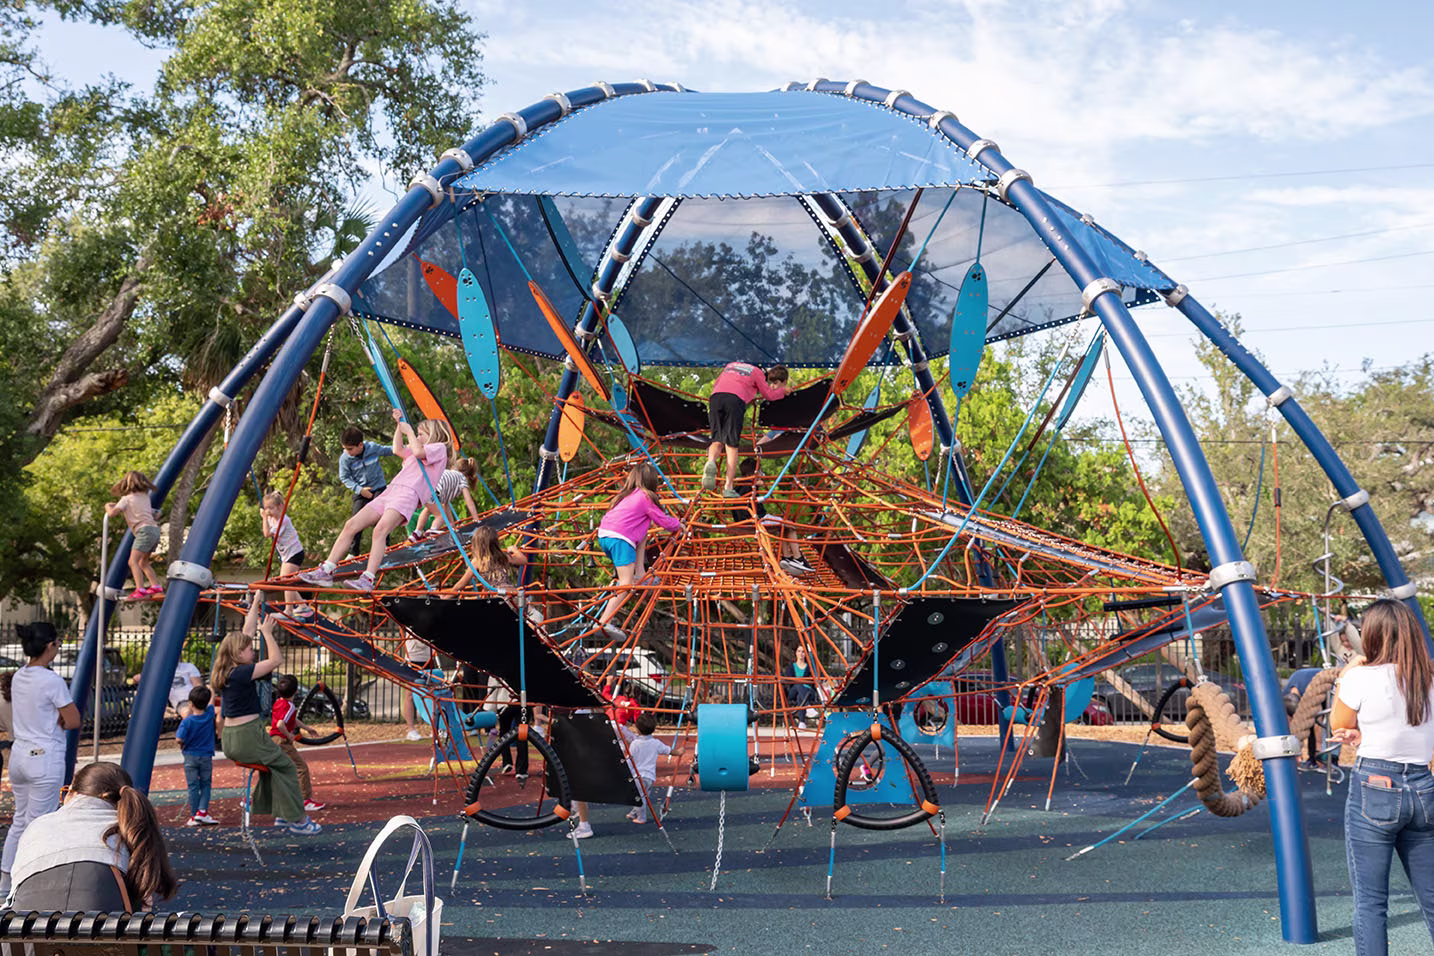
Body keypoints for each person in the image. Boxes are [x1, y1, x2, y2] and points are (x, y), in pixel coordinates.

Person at [1330, 599, 1434, 955]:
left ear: (1370, 635)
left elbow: (1339, 726)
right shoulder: (1429, 677)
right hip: (1424, 788)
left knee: (1371, 903)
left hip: (1375, 786)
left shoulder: (1359, 676)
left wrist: (1351, 670)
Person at [301, 410, 451, 592]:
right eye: (417, 433)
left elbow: (419, 452)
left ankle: (368, 578)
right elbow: (397, 450)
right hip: (392, 490)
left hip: (409, 494)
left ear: (433, 435)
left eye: (421, 434)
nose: (417, 436)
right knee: (351, 525)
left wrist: (410, 432)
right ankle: (327, 569)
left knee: (380, 530)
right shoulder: (418, 449)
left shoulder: (439, 448)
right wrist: (398, 426)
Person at [8, 761, 177, 913]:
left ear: (73, 794)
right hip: (104, 944)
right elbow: (144, 905)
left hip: (24, 943)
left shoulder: (38, 826)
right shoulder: (130, 832)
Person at [212, 596, 319, 834]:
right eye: (249, 649)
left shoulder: (228, 670)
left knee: (275, 768)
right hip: (247, 736)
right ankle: (299, 821)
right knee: (289, 767)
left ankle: (282, 814)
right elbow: (276, 660)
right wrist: (268, 633)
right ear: (238, 654)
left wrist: (257, 602)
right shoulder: (241, 673)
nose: (252, 650)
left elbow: (246, 632)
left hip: (233, 737)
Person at [0, 622, 82, 897]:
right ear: (50, 646)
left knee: (20, 821)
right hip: (44, 756)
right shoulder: (52, 680)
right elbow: (73, 720)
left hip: (20, 754)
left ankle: (6, 883)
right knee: (41, 824)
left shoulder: (20, 676)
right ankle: (28, 887)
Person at [596, 463, 682, 638]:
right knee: (626, 583)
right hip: (620, 538)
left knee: (643, 528)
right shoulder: (645, 497)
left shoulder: (625, 497)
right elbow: (663, 521)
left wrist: (641, 572)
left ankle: (639, 573)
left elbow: (642, 534)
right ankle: (604, 622)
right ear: (652, 481)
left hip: (605, 536)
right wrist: (679, 524)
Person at [702, 362, 790, 497]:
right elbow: (768, 395)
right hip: (734, 399)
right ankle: (728, 487)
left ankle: (711, 462)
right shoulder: (757, 372)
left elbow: (717, 383)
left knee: (717, 440)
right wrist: (782, 391)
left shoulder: (730, 366)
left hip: (716, 398)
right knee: (731, 445)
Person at [732, 457, 813, 574]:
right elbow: (751, 493)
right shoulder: (750, 485)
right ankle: (798, 558)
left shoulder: (740, 486)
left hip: (749, 519)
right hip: (756, 520)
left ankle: (787, 558)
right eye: (760, 471)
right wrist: (757, 484)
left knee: (784, 526)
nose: (762, 474)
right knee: (790, 526)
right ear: (755, 472)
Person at [270, 674, 326, 814]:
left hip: (273, 740)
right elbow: (281, 723)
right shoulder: (290, 706)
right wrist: (289, 734)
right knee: (301, 768)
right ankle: (305, 800)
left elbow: (291, 719)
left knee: (277, 770)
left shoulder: (278, 702)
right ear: (296, 691)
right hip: (282, 741)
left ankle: (261, 798)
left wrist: (307, 728)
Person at [104, 470, 164, 600]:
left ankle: (140, 589)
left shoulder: (126, 499)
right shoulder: (145, 497)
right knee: (143, 562)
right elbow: (152, 513)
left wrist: (108, 506)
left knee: (133, 561)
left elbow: (112, 514)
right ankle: (156, 586)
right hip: (154, 530)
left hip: (144, 531)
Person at [338, 424, 395, 556]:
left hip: (378, 487)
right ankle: (353, 552)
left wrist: (406, 449)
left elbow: (388, 450)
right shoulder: (345, 459)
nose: (348, 452)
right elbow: (344, 477)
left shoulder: (372, 448)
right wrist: (360, 489)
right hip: (362, 491)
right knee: (356, 519)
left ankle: (384, 545)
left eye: (350, 449)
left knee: (381, 515)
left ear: (360, 445)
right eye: (345, 449)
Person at [261, 492, 313, 620]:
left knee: (285, 582)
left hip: (294, 553)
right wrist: (266, 517)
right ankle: (303, 606)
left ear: (280, 507)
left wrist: (263, 518)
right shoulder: (271, 518)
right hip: (287, 554)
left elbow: (267, 534)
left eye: (271, 508)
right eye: (266, 508)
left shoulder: (284, 520)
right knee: (284, 581)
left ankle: (289, 610)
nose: (268, 511)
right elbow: (266, 530)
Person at [175, 685, 219, 825]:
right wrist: (211, 691)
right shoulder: (209, 714)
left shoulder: (187, 721)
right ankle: (202, 811)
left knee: (193, 786)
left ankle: (194, 815)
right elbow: (211, 703)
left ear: (190, 703)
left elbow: (179, 738)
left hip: (190, 755)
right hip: (206, 755)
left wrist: (183, 744)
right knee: (206, 784)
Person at [410, 458, 480, 540]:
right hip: (434, 491)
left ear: (455, 467)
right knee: (441, 516)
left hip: (424, 487)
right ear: (467, 475)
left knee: (428, 510)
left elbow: (446, 505)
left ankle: (417, 532)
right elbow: (469, 501)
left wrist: (452, 525)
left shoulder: (448, 473)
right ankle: (433, 530)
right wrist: (476, 519)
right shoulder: (462, 479)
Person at [625, 713, 672, 825]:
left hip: (638, 776)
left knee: (639, 797)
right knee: (642, 795)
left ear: (637, 729)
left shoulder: (635, 744)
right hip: (650, 777)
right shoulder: (655, 743)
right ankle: (634, 812)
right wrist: (678, 752)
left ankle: (642, 817)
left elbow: (630, 759)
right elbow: (668, 750)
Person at [452, 525, 528, 592]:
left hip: (499, 597)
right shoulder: (502, 556)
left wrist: (445, 597)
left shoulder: (478, 561)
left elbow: (461, 585)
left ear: (477, 544)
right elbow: (523, 560)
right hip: (513, 594)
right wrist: (514, 550)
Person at [400, 633, 441, 741]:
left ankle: (434, 728)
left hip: (428, 657)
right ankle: (411, 729)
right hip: (413, 657)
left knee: (432, 693)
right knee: (410, 694)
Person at [784, 645, 819, 728]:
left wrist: (800, 681)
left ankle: (802, 722)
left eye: (803, 651)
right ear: (796, 653)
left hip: (808, 692)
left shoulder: (809, 667)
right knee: (798, 685)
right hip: (793, 691)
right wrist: (801, 681)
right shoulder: (791, 667)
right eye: (799, 651)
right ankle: (808, 707)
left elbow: (811, 681)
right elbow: (789, 680)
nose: (801, 653)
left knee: (800, 696)